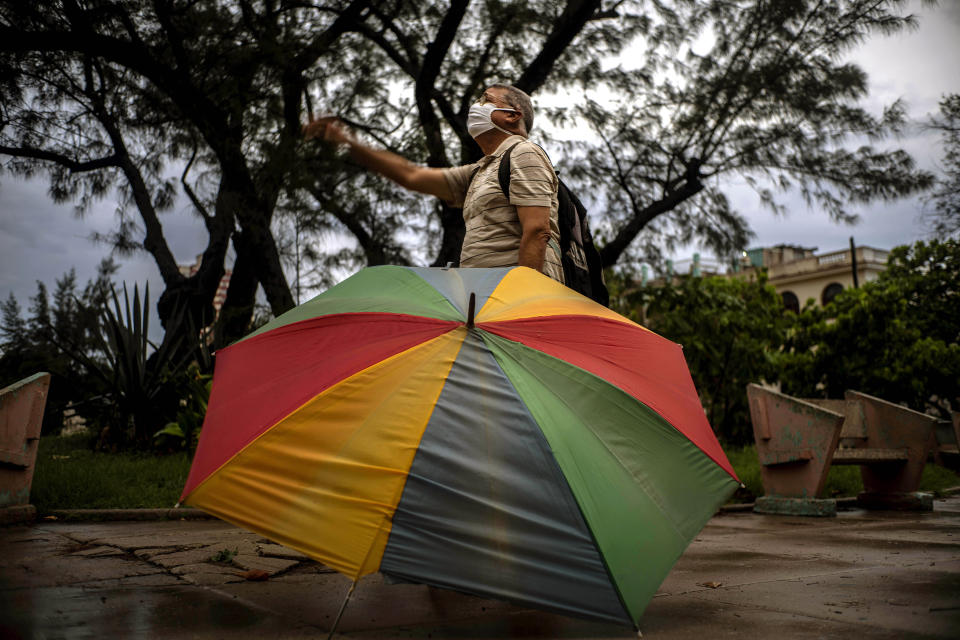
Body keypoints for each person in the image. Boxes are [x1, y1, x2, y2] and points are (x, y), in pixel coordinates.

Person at [303, 84, 564, 283]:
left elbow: (537, 231)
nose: (476, 105)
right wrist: (347, 143)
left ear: (512, 115)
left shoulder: (524, 153)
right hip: (484, 297)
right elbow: (411, 175)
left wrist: (523, 303)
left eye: (485, 100)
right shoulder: (480, 171)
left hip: (516, 300)